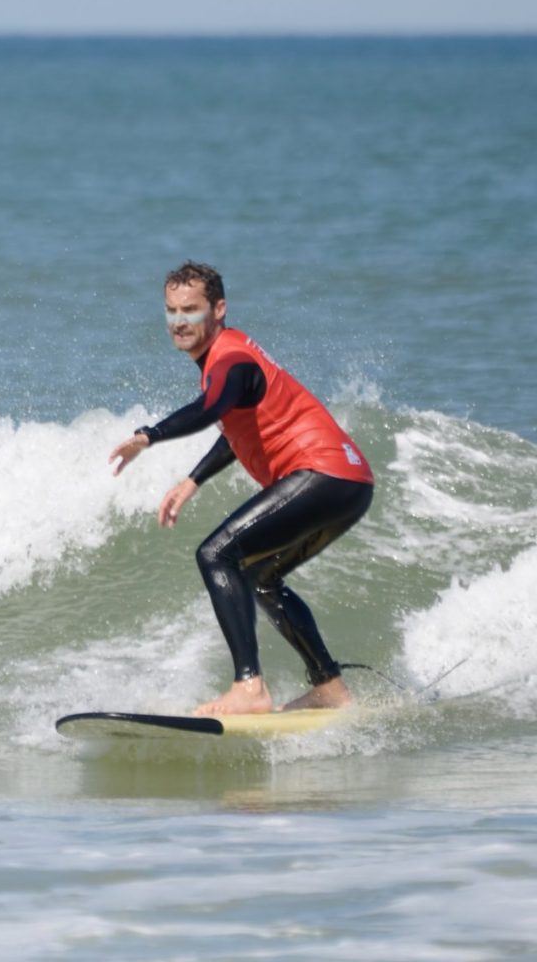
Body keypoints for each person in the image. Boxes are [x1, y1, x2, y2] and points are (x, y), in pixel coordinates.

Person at [109, 262, 374, 716]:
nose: (179, 321)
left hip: (322, 473)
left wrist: (150, 434)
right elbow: (239, 424)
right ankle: (329, 686)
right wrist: (193, 480)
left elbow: (211, 408)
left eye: (191, 310)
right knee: (260, 578)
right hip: (349, 482)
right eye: (171, 310)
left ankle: (249, 687)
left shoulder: (229, 359)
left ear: (219, 309)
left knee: (216, 554)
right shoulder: (232, 356)